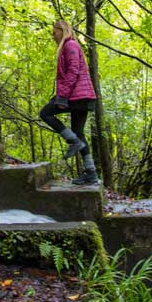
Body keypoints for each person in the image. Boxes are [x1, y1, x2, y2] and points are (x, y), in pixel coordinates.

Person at [39, 20, 99, 185]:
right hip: (81, 96)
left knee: (45, 113)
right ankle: (91, 172)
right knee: (78, 132)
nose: (53, 36)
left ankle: (72, 141)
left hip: (79, 96)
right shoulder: (69, 46)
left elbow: (73, 71)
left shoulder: (70, 45)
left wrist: (62, 97)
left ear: (62, 30)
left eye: (54, 32)